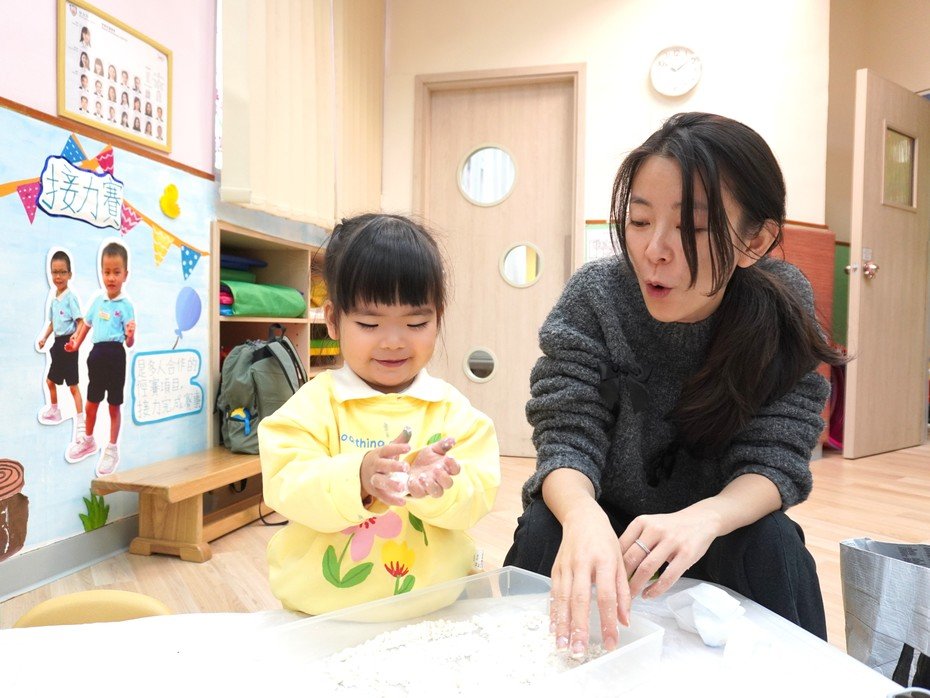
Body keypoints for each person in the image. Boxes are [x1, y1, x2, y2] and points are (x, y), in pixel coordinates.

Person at [503, 112, 846, 657]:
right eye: (639, 221)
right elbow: (566, 434)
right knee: (548, 525)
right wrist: (582, 514)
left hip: (717, 526)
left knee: (773, 541)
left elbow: (777, 458)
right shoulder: (597, 296)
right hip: (609, 516)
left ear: (754, 241)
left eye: (692, 228)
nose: (654, 249)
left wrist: (705, 518)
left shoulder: (781, 305)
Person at [258, 213, 501, 616]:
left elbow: (477, 494)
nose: (393, 341)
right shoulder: (314, 405)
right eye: (369, 323)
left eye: (416, 322)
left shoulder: (454, 412)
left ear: (438, 318)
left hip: (434, 606)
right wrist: (358, 477)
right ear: (332, 320)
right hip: (324, 613)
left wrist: (437, 487)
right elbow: (286, 482)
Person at [65, 242, 135, 477]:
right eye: (107, 272)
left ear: (125, 274)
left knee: (114, 405)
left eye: (116, 272)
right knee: (91, 403)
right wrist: (75, 344)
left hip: (116, 357)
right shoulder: (97, 301)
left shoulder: (126, 306)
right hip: (96, 357)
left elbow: (129, 342)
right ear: (101, 272)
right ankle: (88, 440)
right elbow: (85, 325)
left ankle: (112, 448)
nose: (111, 277)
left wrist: (131, 335)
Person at [36, 251, 85, 430]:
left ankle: (81, 420)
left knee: (73, 386)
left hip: (68, 345)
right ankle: (55, 410)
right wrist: (44, 338)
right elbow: (52, 323)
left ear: (69, 274)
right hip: (57, 344)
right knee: (50, 381)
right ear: (50, 274)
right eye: (55, 272)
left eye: (63, 272)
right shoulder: (54, 300)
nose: (58, 276)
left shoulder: (70, 297)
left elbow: (81, 321)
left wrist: (75, 336)